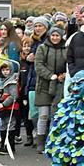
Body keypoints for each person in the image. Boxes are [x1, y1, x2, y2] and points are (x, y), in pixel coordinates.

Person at [33, 25, 67, 153]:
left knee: (56, 115)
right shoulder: (42, 48)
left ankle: (52, 141)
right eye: (53, 35)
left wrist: (64, 75)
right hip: (44, 85)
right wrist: (50, 75)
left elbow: (68, 63)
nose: (55, 37)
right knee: (43, 115)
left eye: (57, 35)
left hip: (60, 85)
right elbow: (38, 65)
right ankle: (40, 142)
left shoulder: (66, 48)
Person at [0, 60, 20, 155]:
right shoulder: (2, 81)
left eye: (7, 70)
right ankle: (3, 145)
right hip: (3, 107)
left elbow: (13, 96)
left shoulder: (12, 82)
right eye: (3, 70)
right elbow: (0, 94)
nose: (5, 72)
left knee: (10, 125)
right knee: (3, 125)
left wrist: (4, 104)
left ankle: (10, 146)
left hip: (10, 107)